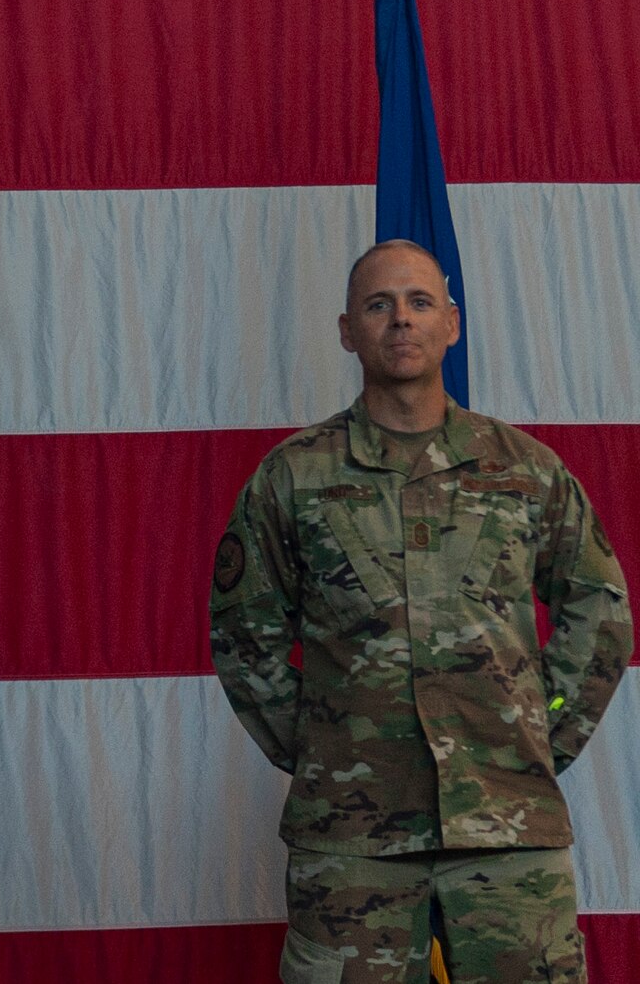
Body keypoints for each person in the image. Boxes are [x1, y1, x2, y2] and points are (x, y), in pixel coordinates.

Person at [210, 239, 631, 984]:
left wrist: (540, 722)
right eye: (378, 304)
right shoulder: (294, 475)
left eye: (419, 301)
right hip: (351, 836)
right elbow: (246, 634)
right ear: (347, 330)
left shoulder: (525, 469)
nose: (400, 319)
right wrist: (323, 745)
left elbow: (600, 608)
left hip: (508, 829)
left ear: (452, 324)